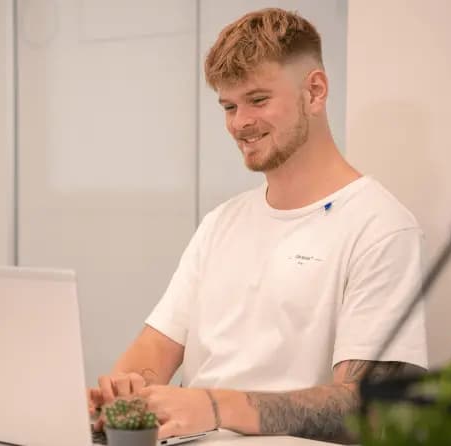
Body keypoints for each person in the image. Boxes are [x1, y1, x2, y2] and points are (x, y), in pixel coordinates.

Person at [89, 8, 427, 444]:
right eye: (229, 106)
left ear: (315, 91)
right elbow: (154, 350)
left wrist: (214, 407)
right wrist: (122, 396)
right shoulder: (220, 223)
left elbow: (372, 409)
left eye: (258, 100)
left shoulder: (381, 227)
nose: (239, 123)